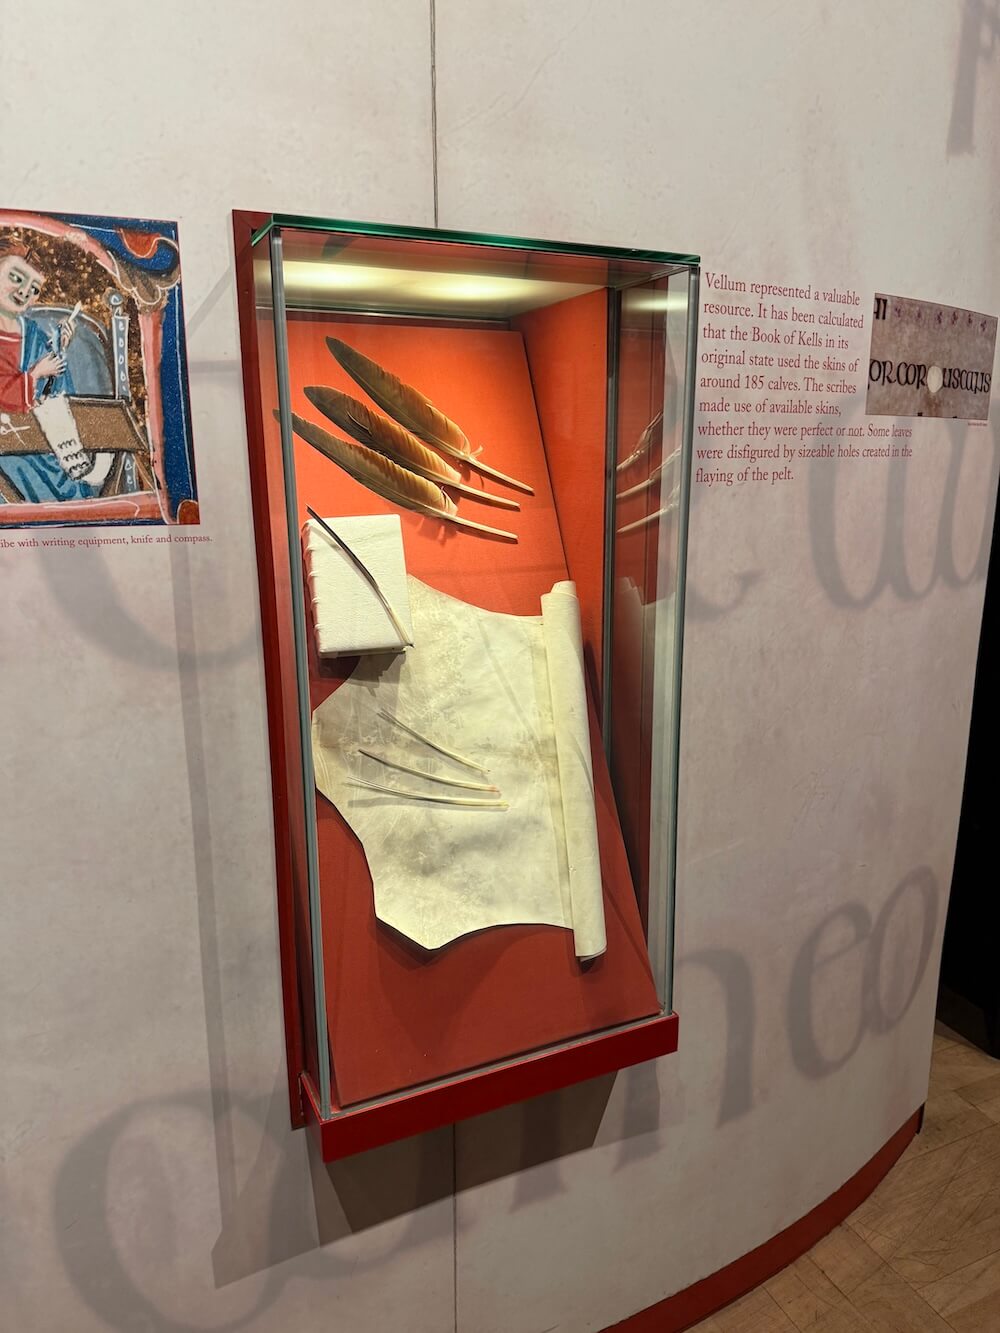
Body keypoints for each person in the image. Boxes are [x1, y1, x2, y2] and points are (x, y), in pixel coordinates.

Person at [0, 240, 93, 503]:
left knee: (71, 481)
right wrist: (33, 376)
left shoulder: (33, 334)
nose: (24, 292)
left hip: (39, 439)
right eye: (16, 277)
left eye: (34, 289)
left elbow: (52, 393)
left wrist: (58, 347)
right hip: (8, 442)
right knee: (19, 468)